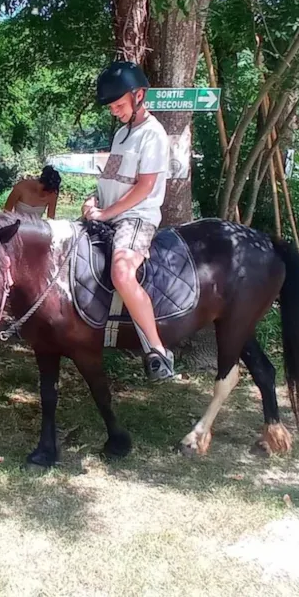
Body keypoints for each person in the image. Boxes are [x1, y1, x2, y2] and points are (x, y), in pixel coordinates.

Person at [82, 61, 175, 381]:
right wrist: (95, 200)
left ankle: (157, 350)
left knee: (122, 272)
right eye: (111, 107)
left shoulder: (154, 135)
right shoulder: (123, 133)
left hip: (137, 217)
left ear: (139, 95)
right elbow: (112, 177)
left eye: (119, 105)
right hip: (111, 213)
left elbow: (145, 186)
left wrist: (108, 213)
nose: (114, 111)